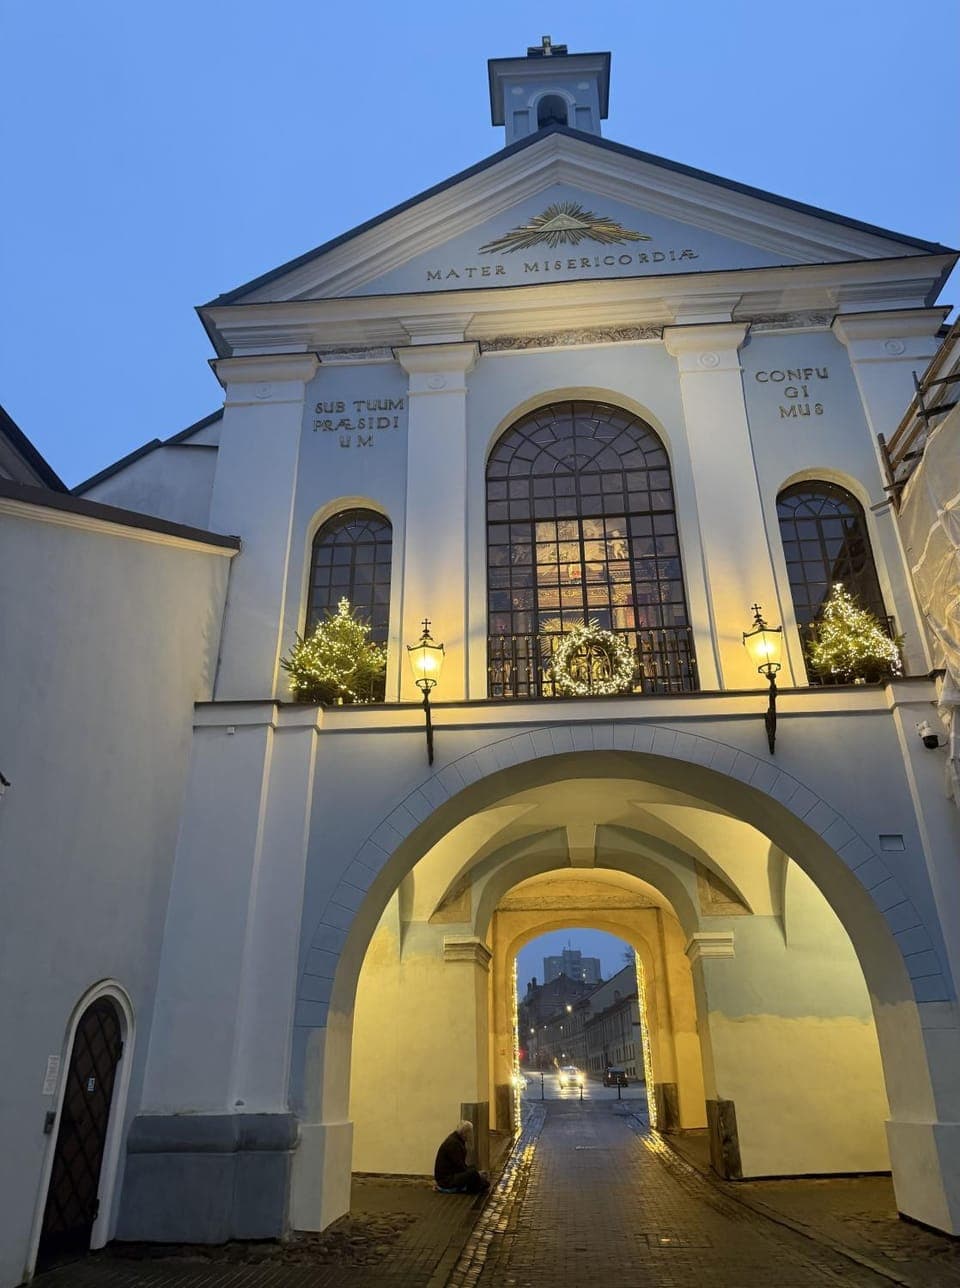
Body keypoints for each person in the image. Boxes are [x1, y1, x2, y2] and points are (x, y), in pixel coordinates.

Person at [433, 1119, 489, 1193]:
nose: (471, 1135)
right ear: (465, 1133)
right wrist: (477, 1174)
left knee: (474, 1170)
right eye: (470, 1133)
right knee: (474, 1174)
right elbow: (460, 1167)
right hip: (446, 1180)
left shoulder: (456, 1140)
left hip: (449, 1176)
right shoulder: (454, 1144)